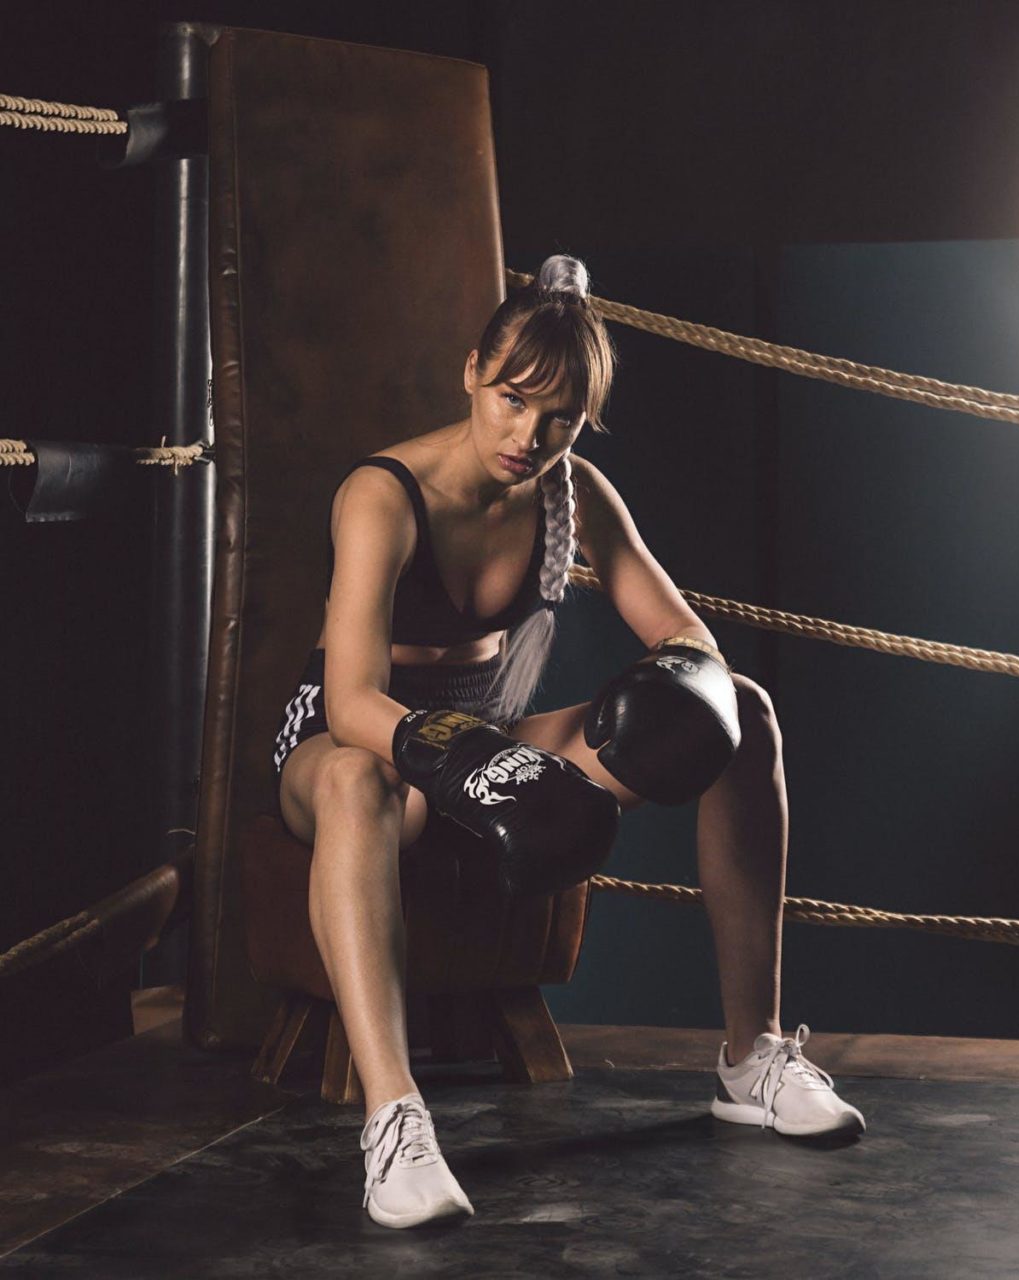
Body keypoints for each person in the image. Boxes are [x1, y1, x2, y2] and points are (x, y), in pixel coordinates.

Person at [271, 254, 866, 1231]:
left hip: (494, 742)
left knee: (743, 708)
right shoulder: (382, 493)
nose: (526, 434)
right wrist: (458, 756)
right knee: (349, 779)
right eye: (511, 398)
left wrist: (677, 688)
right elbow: (349, 699)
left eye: (559, 418)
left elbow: (686, 638)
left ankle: (749, 1056)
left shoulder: (574, 494)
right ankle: (395, 1120)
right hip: (366, 747)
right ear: (472, 371)